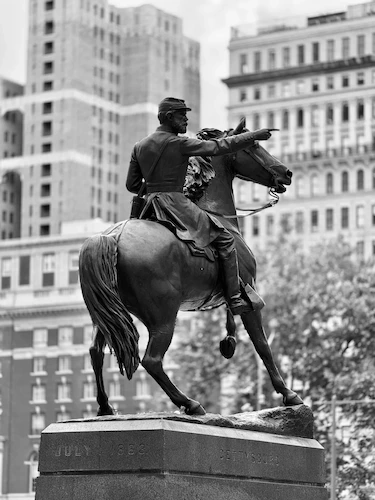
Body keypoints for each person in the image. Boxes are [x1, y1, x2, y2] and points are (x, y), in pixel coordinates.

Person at [126, 97, 273, 315]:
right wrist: (252, 136)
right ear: (168, 117)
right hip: (175, 204)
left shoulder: (139, 146)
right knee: (225, 239)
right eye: (181, 115)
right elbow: (218, 146)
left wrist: (155, 187)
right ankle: (234, 298)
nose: (186, 119)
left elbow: (132, 185)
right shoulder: (179, 143)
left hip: (150, 207)